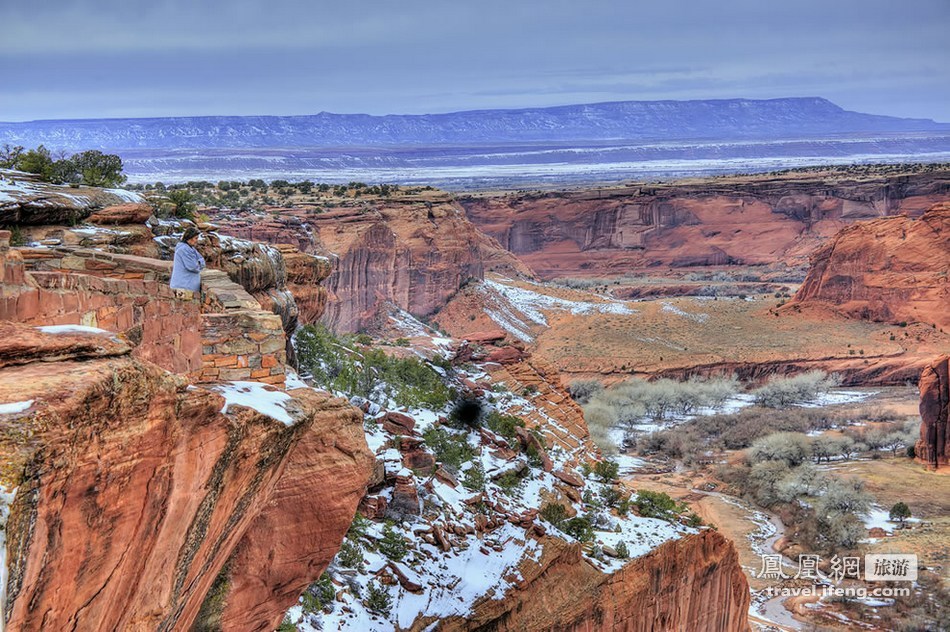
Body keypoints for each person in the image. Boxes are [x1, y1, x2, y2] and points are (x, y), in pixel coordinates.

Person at [170, 227, 205, 295]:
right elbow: (193, 267)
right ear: (190, 238)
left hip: (185, 285)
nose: (197, 240)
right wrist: (199, 264)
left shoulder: (190, 248)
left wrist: (199, 263)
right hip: (184, 286)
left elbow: (202, 260)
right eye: (196, 238)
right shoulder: (184, 250)